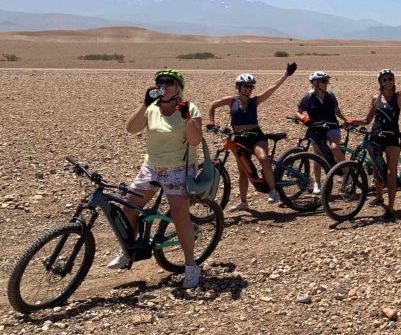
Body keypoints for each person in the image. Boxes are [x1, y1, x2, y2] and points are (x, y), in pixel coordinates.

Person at [115, 68, 202, 288]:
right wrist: (144, 103)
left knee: (180, 217)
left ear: (178, 87)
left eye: (169, 82)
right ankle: (129, 251)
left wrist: (187, 118)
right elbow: (131, 129)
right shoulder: (151, 108)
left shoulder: (190, 108)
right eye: (159, 82)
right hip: (152, 166)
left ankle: (191, 266)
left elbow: (194, 140)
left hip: (179, 168)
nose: (163, 85)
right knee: (129, 207)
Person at [347, 51, 401, 219]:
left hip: (392, 137)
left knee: (391, 173)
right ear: (380, 82)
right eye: (384, 79)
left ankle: (391, 208)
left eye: (390, 78)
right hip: (376, 136)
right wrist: (350, 121)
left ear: (393, 81)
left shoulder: (398, 98)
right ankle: (379, 197)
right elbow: (367, 120)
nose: (388, 81)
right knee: (377, 169)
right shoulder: (375, 98)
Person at [207, 63, 298, 211]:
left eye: (251, 87)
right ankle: (243, 202)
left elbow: (272, 89)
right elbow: (212, 105)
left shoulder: (254, 101)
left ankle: (273, 191)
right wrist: (211, 122)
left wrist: (285, 75)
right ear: (239, 87)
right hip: (238, 138)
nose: (249, 89)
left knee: (263, 158)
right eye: (246, 86)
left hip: (256, 136)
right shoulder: (231, 101)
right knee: (243, 172)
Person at [295, 71, 349, 193]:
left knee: (334, 147)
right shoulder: (308, 97)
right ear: (315, 83)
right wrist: (304, 119)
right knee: (317, 157)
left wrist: (346, 120)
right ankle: (317, 183)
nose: (326, 84)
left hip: (332, 127)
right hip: (316, 129)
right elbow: (298, 112)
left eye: (327, 81)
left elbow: (337, 111)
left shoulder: (330, 95)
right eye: (324, 81)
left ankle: (347, 174)